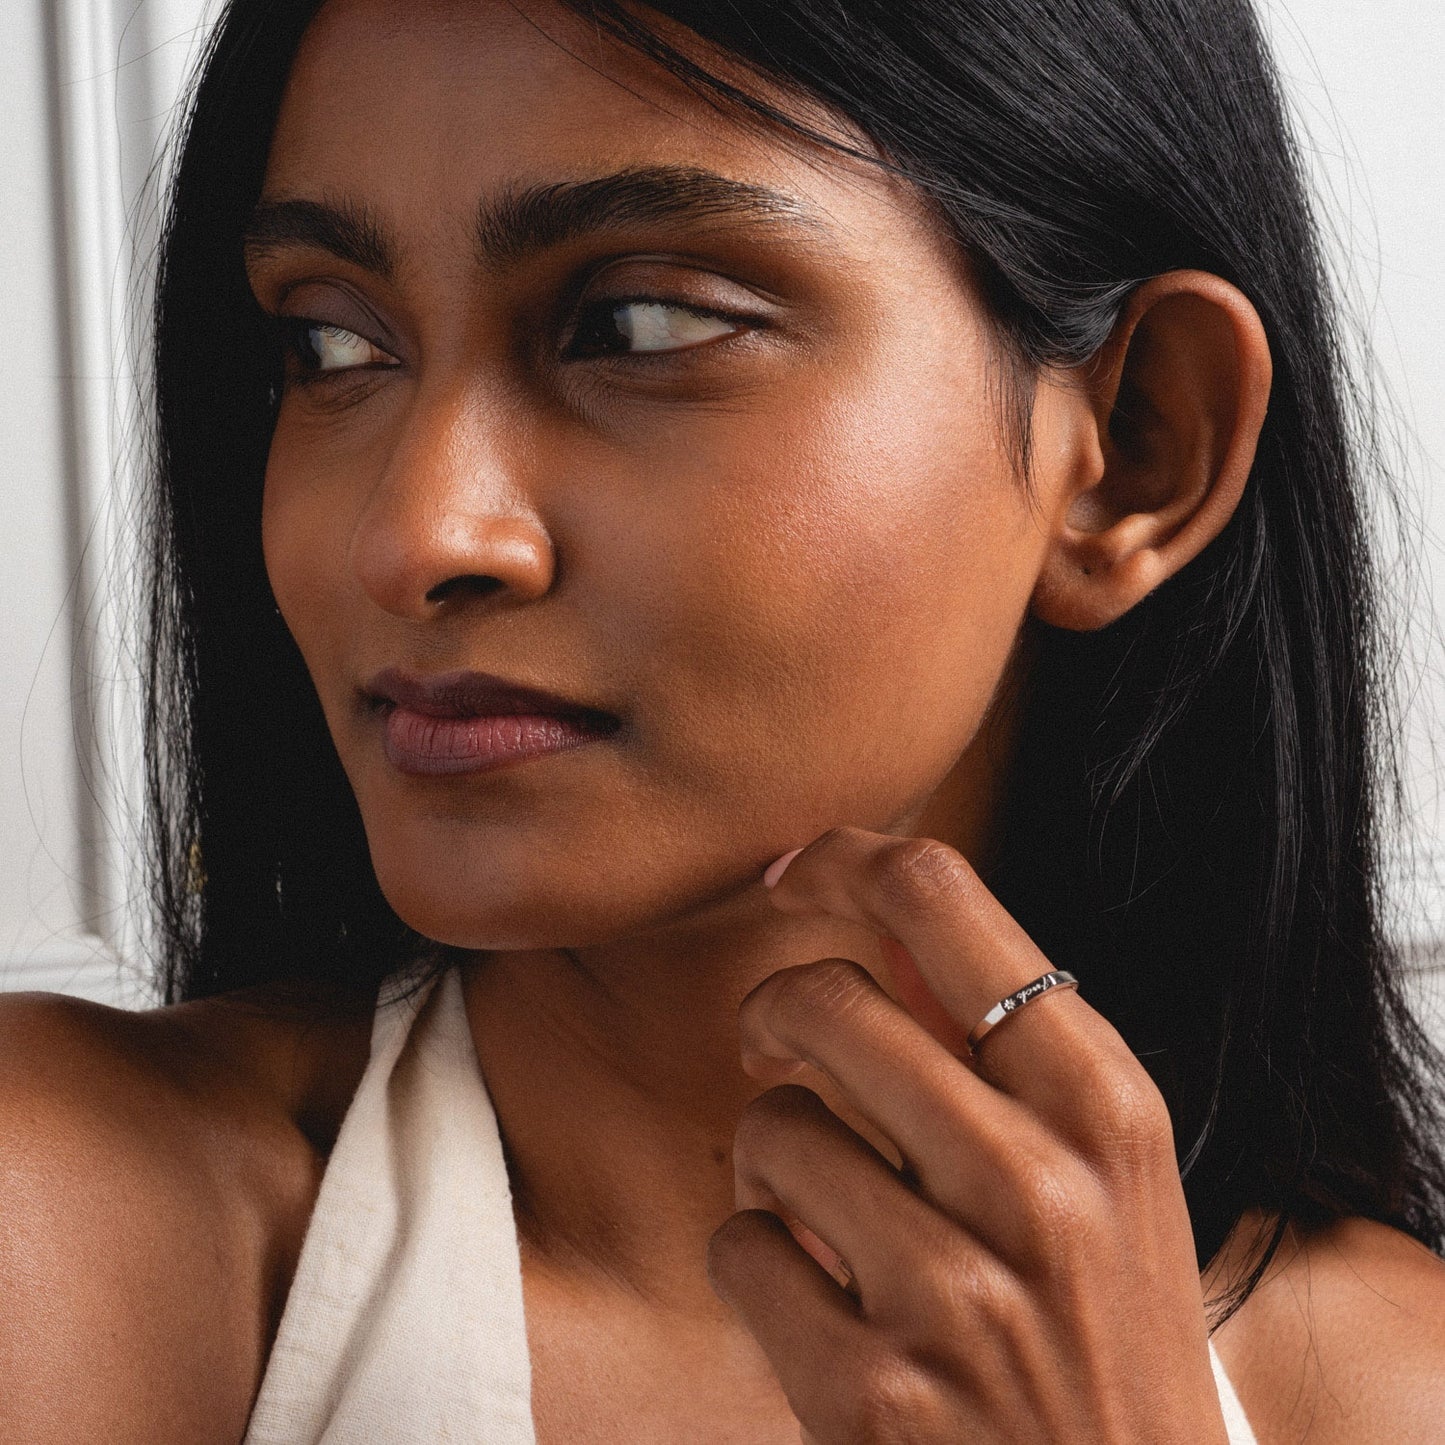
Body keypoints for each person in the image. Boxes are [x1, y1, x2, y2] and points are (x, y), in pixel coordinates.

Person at [3, 0, 1444, 1438]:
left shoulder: (1386, 1383)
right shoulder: (62, 1229)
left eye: (635, 325)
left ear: (1136, 445)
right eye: (329, 346)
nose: (414, 532)